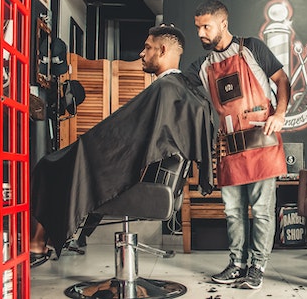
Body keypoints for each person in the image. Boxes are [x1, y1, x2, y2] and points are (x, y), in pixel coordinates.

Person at [30, 24, 213, 267]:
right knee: (65, 165)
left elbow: (121, 136)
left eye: (147, 48)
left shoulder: (166, 89)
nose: (141, 53)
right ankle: (50, 240)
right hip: (161, 181)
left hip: (142, 182)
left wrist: (87, 146)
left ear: (163, 50)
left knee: (49, 166)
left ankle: (36, 244)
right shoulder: (180, 89)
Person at [186, 0, 290, 290]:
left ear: (223, 23)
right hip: (229, 148)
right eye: (197, 27)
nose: (201, 33)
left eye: (206, 26)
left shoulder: (252, 48)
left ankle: (257, 266)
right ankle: (237, 264)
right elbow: (178, 84)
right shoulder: (202, 66)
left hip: (261, 143)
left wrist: (280, 113)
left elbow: (282, 80)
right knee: (233, 211)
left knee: (262, 210)